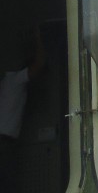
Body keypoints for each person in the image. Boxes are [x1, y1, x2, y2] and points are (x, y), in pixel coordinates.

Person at [0, 27, 45, 193]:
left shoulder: (9, 82)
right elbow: (39, 64)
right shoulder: (14, 79)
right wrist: (38, 38)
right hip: (4, 143)